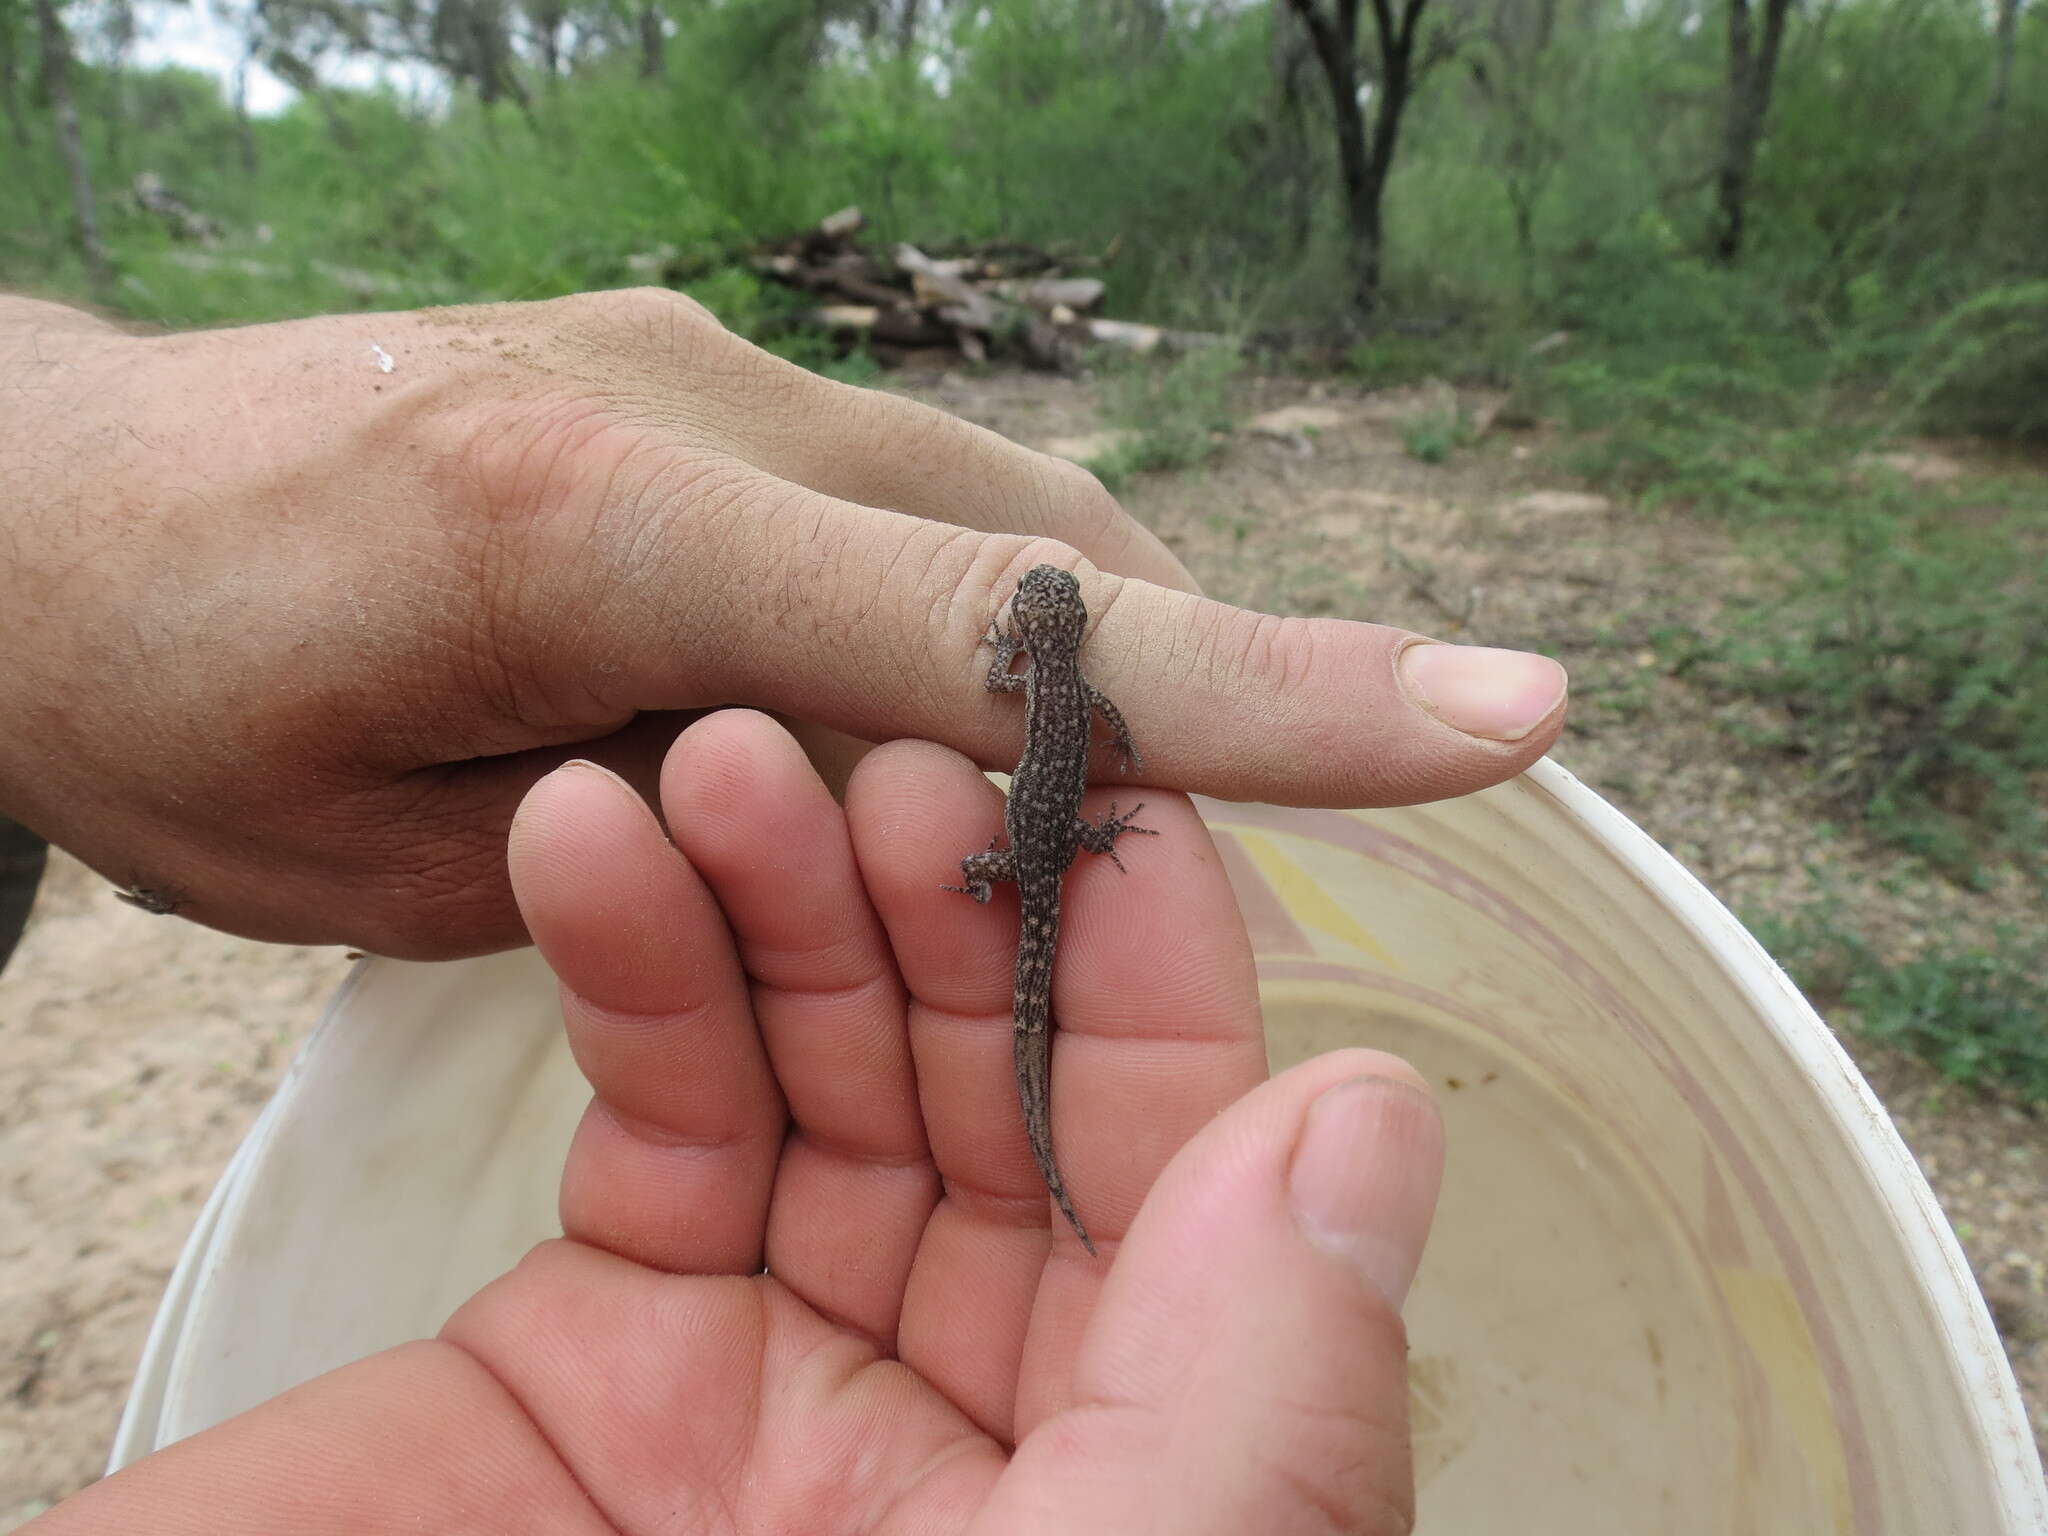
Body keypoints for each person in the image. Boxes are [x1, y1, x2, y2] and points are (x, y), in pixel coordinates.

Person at [6, 288, 1566, 1531]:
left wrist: (1048, 835)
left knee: (1003, 951)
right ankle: (1054, 1104)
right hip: (1037, 864)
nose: (1040, 625)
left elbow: (1085, 733)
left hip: (1026, 866)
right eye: (1039, 617)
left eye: (1041, 620)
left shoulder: (1039, 679)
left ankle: (1040, 1039)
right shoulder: (1067, 689)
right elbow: (1116, 746)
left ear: (1043, 642)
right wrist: (1083, 823)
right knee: (1008, 970)